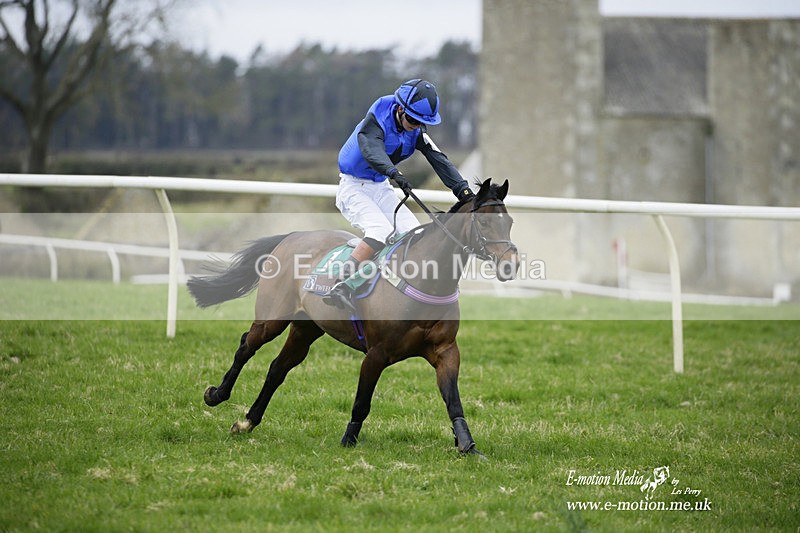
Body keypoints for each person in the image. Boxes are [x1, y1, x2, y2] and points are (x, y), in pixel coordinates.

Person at [323, 78, 475, 310]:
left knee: (412, 234)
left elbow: (439, 160)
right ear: (400, 109)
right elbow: (372, 149)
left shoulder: (416, 127)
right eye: (413, 120)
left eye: (422, 122)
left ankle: (402, 295)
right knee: (380, 231)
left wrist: (463, 192)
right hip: (353, 187)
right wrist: (394, 172)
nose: (416, 126)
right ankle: (341, 284)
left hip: (380, 186)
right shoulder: (376, 119)